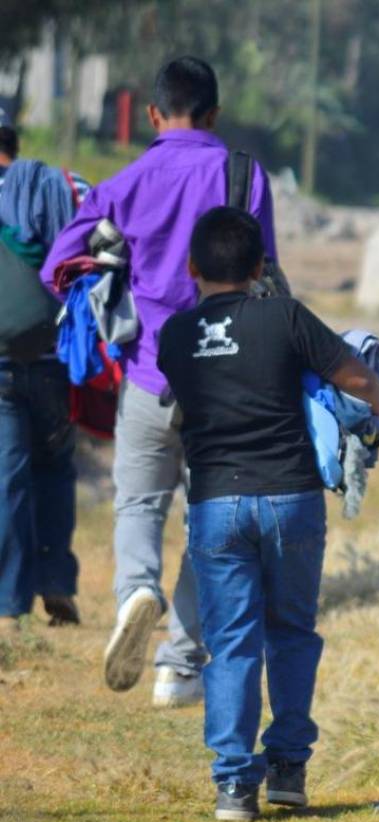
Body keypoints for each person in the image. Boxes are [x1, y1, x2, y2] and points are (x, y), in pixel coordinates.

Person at [42, 56, 279, 707]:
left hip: (149, 376)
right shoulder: (243, 175)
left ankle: (135, 592)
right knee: (212, 521)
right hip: (228, 386)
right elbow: (268, 272)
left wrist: (114, 259)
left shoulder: (125, 181)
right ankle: (178, 665)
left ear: (152, 114)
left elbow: (58, 266)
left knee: (139, 504)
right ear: (215, 113)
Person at [158, 207, 379, 822]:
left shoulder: (174, 335)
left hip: (216, 505)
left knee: (231, 644)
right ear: (260, 267)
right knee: (291, 633)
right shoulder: (285, 317)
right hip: (291, 499)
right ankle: (287, 769)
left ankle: (235, 786)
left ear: (192, 268)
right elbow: (358, 380)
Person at [0, 118, 85, 633]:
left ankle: (10, 603)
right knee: (55, 469)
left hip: (1, 364)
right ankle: (56, 581)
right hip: (55, 355)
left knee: (9, 479)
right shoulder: (54, 187)